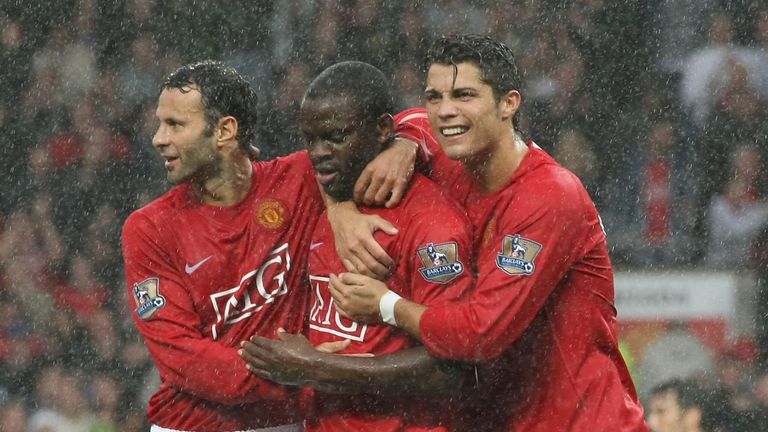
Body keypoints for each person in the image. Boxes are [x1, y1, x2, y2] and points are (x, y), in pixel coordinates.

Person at [329, 35, 648, 431]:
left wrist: (386, 305)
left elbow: (481, 336)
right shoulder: (447, 166)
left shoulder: (549, 196)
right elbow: (346, 147)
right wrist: (341, 209)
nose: (445, 111)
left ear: (509, 103)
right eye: (435, 96)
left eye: (464, 95)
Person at [121, 60, 425, 432]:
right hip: (194, 424)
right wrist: (298, 373)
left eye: (175, 125)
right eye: (160, 123)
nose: (158, 138)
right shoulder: (149, 228)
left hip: (286, 421)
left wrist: (406, 145)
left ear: (225, 131)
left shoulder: (299, 181)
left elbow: (407, 122)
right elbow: (182, 358)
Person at [239, 61, 474, 431]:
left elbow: (449, 368)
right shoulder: (319, 202)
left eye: (335, 136)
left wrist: (315, 368)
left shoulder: (433, 225)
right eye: (310, 139)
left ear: (383, 129)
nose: (318, 152)